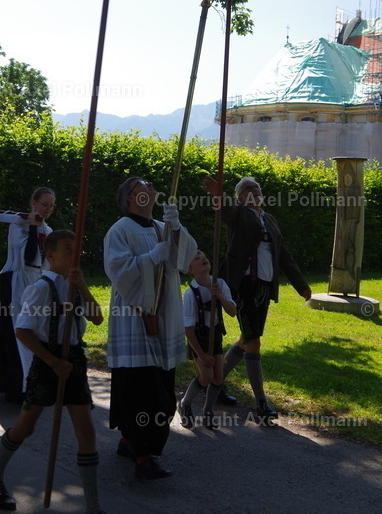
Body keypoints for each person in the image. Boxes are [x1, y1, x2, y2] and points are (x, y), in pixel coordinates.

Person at [0, 230, 105, 513]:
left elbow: (97, 318)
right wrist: (53, 362)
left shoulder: (75, 286)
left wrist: (83, 286)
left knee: (87, 432)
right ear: (50, 256)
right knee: (27, 426)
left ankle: (94, 507)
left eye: (77, 249)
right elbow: (22, 331)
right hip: (48, 361)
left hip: (74, 360)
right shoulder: (40, 288)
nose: (75, 254)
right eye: (67, 249)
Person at [103, 176, 196, 479]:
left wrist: (178, 228)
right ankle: (144, 455)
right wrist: (149, 259)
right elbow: (118, 271)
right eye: (140, 186)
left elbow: (186, 260)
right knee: (142, 386)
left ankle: (130, 440)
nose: (149, 188)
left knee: (160, 381)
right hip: (135, 318)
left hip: (164, 315)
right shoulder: (120, 230)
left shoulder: (161, 228)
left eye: (150, 184)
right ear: (130, 197)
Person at [202, 175, 312, 420]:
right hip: (242, 286)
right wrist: (218, 195)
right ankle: (261, 403)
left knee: (246, 339)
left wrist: (301, 284)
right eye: (248, 189)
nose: (254, 191)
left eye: (257, 187)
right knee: (253, 342)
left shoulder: (270, 220)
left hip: (264, 289)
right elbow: (226, 212)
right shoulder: (239, 214)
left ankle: (215, 384)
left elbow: (283, 254)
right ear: (240, 196)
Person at [0, 187, 55, 402]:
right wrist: (33, 227)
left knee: (36, 328)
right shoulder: (18, 225)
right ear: (34, 203)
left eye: (51, 205)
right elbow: (28, 255)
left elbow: (46, 263)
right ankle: (15, 384)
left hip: (35, 283)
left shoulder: (49, 231)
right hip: (16, 281)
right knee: (14, 328)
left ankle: (34, 381)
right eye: (44, 204)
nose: (48, 209)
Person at [179, 249, 236, 430]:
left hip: (215, 335)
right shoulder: (190, 294)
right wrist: (201, 355)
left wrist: (219, 296)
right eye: (197, 258)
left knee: (218, 377)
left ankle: (208, 411)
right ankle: (185, 403)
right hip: (198, 339)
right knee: (206, 376)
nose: (203, 259)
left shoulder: (219, 284)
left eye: (204, 257)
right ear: (191, 270)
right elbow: (187, 329)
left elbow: (233, 312)